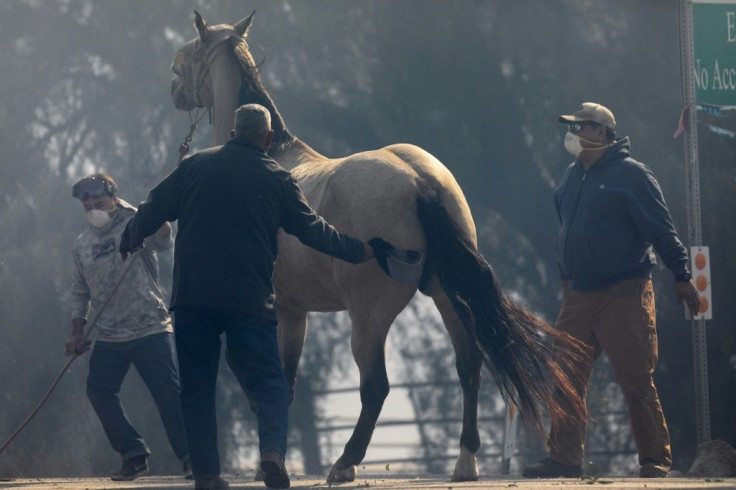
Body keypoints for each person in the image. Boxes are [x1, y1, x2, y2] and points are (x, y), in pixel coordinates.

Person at [120, 103, 373, 490]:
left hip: (192, 299)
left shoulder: (195, 166)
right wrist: (362, 251)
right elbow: (314, 231)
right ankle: (272, 452)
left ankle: (206, 475)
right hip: (248, 300)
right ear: (268, 139)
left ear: (233, 132)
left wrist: (130, 235)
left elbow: (154, 207)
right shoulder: (278, 178)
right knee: (271, 382)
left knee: (198, 389)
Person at [522, 103, 701, 479]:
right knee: (565, 377)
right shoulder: (572, 177)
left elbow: (660, 230)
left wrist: (682, 274)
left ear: (602, 133)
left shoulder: (632, 176)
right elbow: (567, 230)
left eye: (582, 126)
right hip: (577, 296)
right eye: (572, 126)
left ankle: (654, 459)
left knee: (635, 377)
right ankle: (564, 458)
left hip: (624, 293)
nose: (573, 133)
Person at [67, 174, 190, 481]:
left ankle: (192, 457)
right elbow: (80, 291)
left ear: (113, 199)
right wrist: (78, 331)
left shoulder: (137, 221)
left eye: (99, 203)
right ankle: (133, 453)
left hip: (149, 327)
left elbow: (163, 243)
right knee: (99, 390)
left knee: (167, 394)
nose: (94, 210)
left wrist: (163, 225)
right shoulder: (82, 245)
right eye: (88, 206)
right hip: (110, 334)